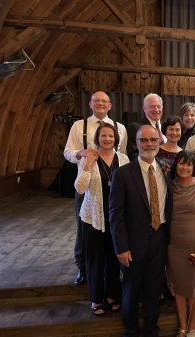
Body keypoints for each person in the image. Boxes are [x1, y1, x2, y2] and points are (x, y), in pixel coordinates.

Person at [109, 125, 173, 337]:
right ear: (136, 143)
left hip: (160, 237)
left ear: (159, 142)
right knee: (131, 288)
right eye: (144, 140)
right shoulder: (122, 174)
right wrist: (121, 247)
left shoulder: (166, 168)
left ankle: (151, 329)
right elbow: (115, 214)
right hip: (133, 241)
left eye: (153, 140)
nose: (149, 144)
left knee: (154, 287)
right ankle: (131, 331)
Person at [64, 90, 127, 285]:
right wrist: (82, 153)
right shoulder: (78, 126)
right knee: (85, 229)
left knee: (113, 228)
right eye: (96, 101)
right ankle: (83, 267)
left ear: (110, 106)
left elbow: (121, 155)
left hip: (112, 187)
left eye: (104, 101)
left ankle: (112, 271)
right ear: (90, 104)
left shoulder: (120, 128)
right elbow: (67, 152)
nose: (100, 104)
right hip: (88, 185)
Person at [74, 123, 129, 315]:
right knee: (95, 259)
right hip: (93, 218)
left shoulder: (123, 158)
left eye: (111, 136)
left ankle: (112, 295)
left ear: (116, 139)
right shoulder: (89, 159)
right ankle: (96, 298)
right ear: (97, 138)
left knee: (114, 258)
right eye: (103, 136)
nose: (107, 139)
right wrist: (87, 164)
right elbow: (80, 188)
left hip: (116, 217)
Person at [168, 150, 195, 337]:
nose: (184, 168)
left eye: (189, 164)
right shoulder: (170, 186)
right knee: (179, 288)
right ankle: (182, 327)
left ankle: (192, 325)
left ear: (194, 168)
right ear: (175, 165)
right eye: (181, 163)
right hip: (173, 246)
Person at [127, 93, 166, 161]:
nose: (156, 110)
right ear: (144, 108)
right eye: (152, 106)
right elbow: (133, 154)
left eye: (158, 106)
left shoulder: (167, 127)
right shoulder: (135, 127)